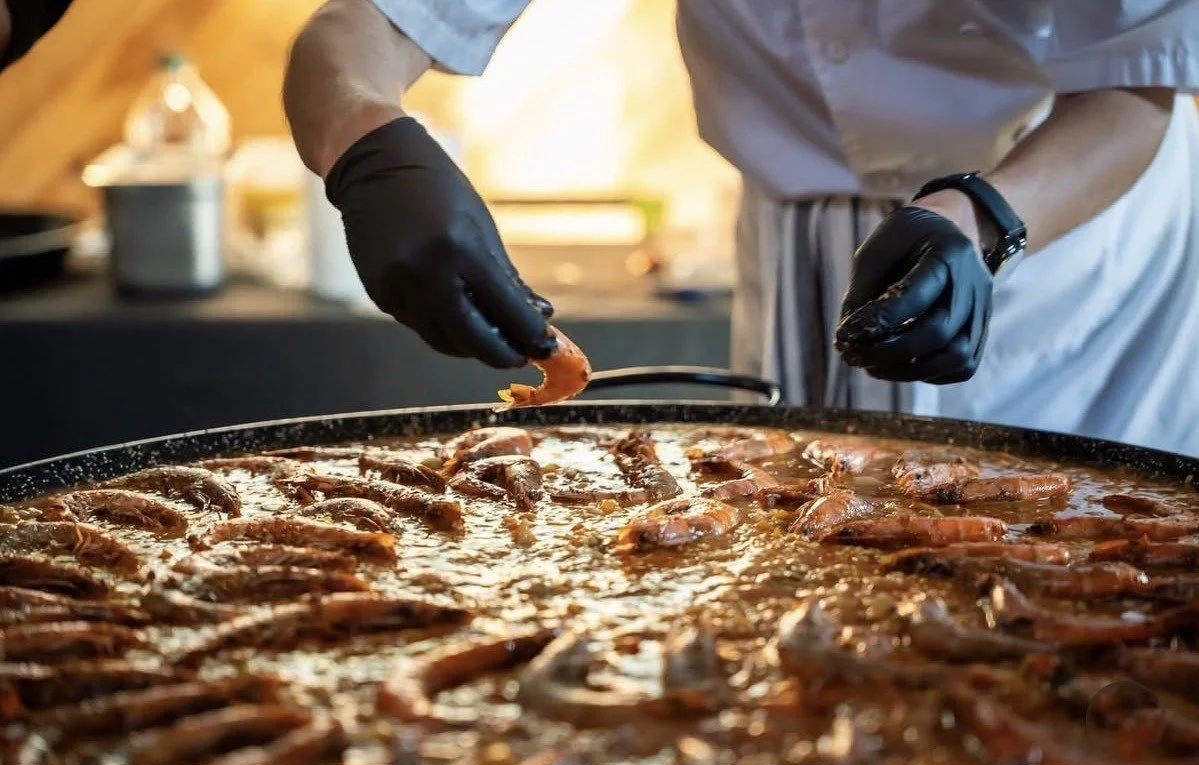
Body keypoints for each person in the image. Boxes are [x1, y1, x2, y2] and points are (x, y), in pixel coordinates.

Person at [6, 2, 1198, 453]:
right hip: (793, 239)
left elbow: (1134, 87)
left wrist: (977, 216)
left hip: (1067, 238)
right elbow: (349, 35)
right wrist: (369, 148)